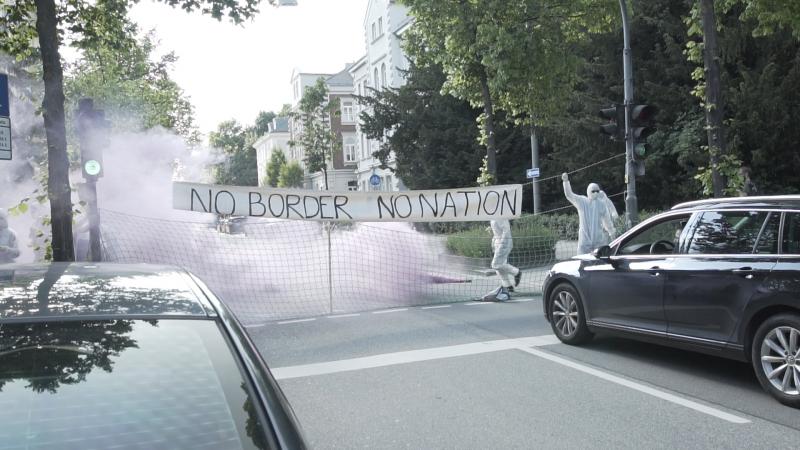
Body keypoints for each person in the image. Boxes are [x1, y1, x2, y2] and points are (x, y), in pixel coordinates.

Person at [562, 173, 616, 255]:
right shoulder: (582, 201)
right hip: (585, 241)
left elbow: (607, 221)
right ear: (588, 191)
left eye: (597, 191)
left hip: (598, 241)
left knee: (599, 264)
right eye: (593, 191)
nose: (595, 193)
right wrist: (566, 182)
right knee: (583, 262)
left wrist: (611, 232)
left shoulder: (601, 204)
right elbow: (569, 195)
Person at [481, 219, 522, 302]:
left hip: (504, 243)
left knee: (495, 264)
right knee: (500, 266)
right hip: (498, 243)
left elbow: (506, 231)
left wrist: (502, 244)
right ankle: (507, 286)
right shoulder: (493, 215)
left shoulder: (501, 215)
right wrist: (493, 242)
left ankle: (516, 272)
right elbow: (497, 231)